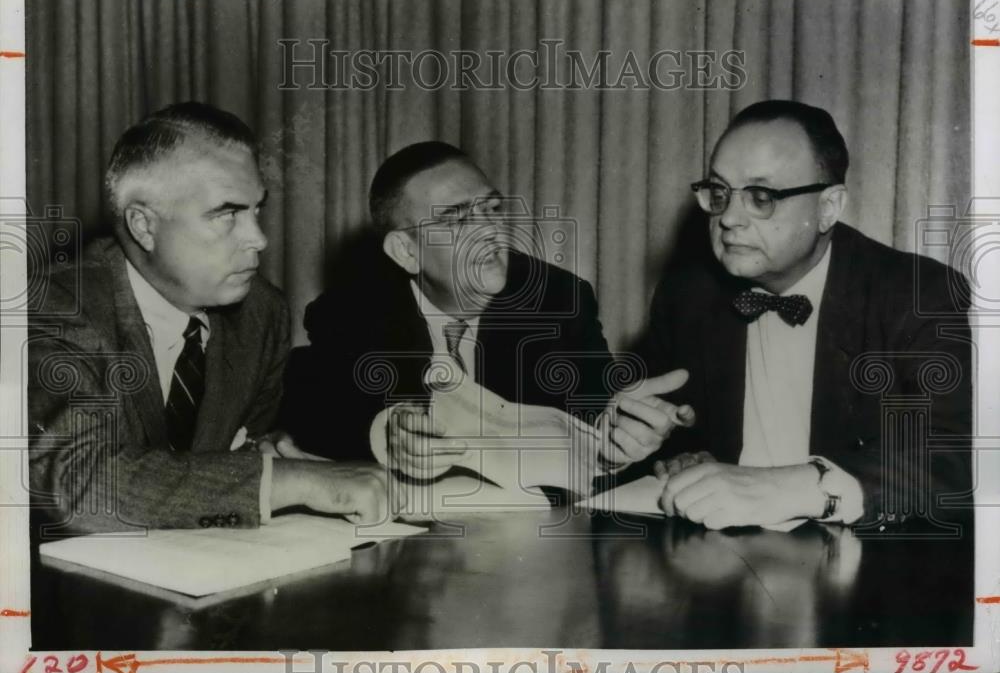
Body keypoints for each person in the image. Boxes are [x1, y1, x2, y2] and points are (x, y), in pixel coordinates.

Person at [29, 102, 397, 535]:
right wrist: (281, 481)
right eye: (226, 214)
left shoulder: (261, 314)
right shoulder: (52, 307)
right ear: (144, 226)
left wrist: (264, 451)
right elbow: (74, 484)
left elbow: (226, 455)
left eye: (256, 210)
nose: (257, 239)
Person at [644, 100, 972, 531]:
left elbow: (956, 456)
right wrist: (650, 449)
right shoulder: (687, 295)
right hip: (722, 563)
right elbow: (681, 436)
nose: (729, 219)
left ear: (828, 207)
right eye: (720, 192)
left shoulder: (915, 294)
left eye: (761, 197)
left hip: (866, 572)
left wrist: (801, 488)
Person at [283, 141, 691, 479]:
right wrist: (385, 434)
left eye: (492, 210)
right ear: (406, 251)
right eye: (457, 221)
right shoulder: (352, 311)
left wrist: (617, 439)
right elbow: (320, 410)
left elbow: (590, 415)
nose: (489, 231)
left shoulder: (555, 300)